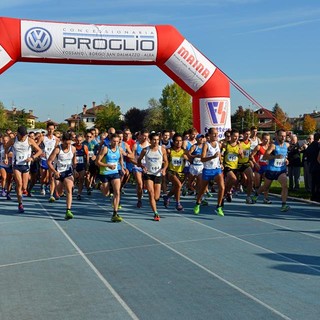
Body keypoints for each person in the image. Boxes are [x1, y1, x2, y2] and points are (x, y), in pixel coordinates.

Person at [4, 126, 42, 213]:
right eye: (22, 135)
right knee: (19, 184)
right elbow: (6, 147)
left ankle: (24, 191)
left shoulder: (29, 140)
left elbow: (39, 151)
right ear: (18, 133)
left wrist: (32, 158)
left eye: (25, 135)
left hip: (26, 165)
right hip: (16, 165)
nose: (23, 137)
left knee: (24, 187)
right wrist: (6, 157)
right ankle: (20, 204)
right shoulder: (13, 140)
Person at [253, 129, 290, 212]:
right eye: (281, 136)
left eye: (284, 136)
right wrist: (275, 157)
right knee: (265, 187)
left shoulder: (287, 145)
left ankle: (283, 204)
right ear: (277, 136)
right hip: (271, 170)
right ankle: (256, 194)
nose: (283, 137)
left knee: (285, 185)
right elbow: (265, 157)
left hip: (281, 170)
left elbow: (284, 156)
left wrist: (286, 160)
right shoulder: (273, 146)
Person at [193, 128, 225, 216]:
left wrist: (221, 163)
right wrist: (212, 157)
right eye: (214, 134)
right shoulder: (206, 145)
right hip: (207, 170)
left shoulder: (218, 144)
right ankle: (197, 204)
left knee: (222, 187)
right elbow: (202, 159)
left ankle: (219, 206)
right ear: (209, 135)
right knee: (202, 190)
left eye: (217, 134)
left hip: (217, 169)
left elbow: (218, 156)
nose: (215, 135)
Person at [138, 132, 168, 221]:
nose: (156, 141)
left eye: (158, 140)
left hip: (158, 174)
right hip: (148, 174)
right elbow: (139, 160)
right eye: (154, 140)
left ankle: (153, 202)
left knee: (156, 197)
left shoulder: (162, 149)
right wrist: (142, 167)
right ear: (150, 141)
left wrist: (164, 169)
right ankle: (155, 213)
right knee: (151, 193)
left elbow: (166, 161)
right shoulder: (145, 150)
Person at [48, 132, 77, 220]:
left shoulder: (73, 149)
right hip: (58, 173)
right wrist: (54, 171)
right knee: (60, 192)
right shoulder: (57, 149)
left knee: (69, 189)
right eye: (66, 143)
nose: (68, 145)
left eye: (69, 143)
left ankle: (68, 210)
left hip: (68, 172)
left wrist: (75, 169)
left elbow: (74, 160)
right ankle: (59, 192)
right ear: (62, 141)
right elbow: (49, 162)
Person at [96, 133, 125, 222]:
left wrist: (122, 168)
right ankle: (100, 186)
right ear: (110, 141)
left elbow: (120, 159)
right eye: (114, 141)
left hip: (115, 172)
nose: (115, 143)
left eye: (117, 141)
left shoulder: (119, 149)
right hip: (105, 173)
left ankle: (115, 213)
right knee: (106, 193)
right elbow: (97, 162)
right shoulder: (105, 149)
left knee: (117, 191)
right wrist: (107, 165)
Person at [163, 133, 188, 211]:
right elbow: (164, 160)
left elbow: (191, 160)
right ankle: (178, 204)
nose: (179, 143)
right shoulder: (169, 151)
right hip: (171, 172)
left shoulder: (184, 151)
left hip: (181, 173)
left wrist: (187, 158)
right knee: (178, 185)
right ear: (173, 142)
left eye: (180, 141)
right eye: (177, 141)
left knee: (176, 187)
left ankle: (167, 197)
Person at [37, 122, 60, 201]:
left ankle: (51, 194)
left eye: (52, 129)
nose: (50, 131)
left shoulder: (56, 139)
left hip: (52, 160)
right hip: (44, 159)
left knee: (51, 177)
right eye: (49, 129)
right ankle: (42, 185)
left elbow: (58, 149)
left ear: (54, 129)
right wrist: (40, 152)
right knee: (43, 177)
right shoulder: (42, 138)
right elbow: (36, 146)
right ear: (47, 129)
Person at [222, 129, 243, 202]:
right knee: (234, 179)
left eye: (237, 136)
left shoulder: (239, 145)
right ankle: (227, 192)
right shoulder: (226, 144)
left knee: (228, 182)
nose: (236, 138)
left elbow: (242, 157)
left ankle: (225, 193)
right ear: (231, 136)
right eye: (234, 136)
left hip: (235, 167)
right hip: (227, 166)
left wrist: (241, 153)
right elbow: (220, 153)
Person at [250, 132, 272, 203]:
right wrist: (255, 163)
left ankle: (266, 198)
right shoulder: (258, 147)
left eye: (268, 139)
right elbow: (251, 156)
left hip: (266, 167)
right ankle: (255, 196)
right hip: (258, 167)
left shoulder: (271, 147)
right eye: (265, 139)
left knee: (267, 183)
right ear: (262, 139)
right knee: (257, 184)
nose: (267, 141)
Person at [74, 134, 89, 200]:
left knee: (81, 179)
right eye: (77, 140)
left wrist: (87, 163)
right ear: (75, 140)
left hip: (81, 165)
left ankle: (79, 194)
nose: (79, 142)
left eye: (80, 140)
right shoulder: (72, 146)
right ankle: (71, 190)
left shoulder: (84, 147)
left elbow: (87, 155)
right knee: (73, 180)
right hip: (74, 166)